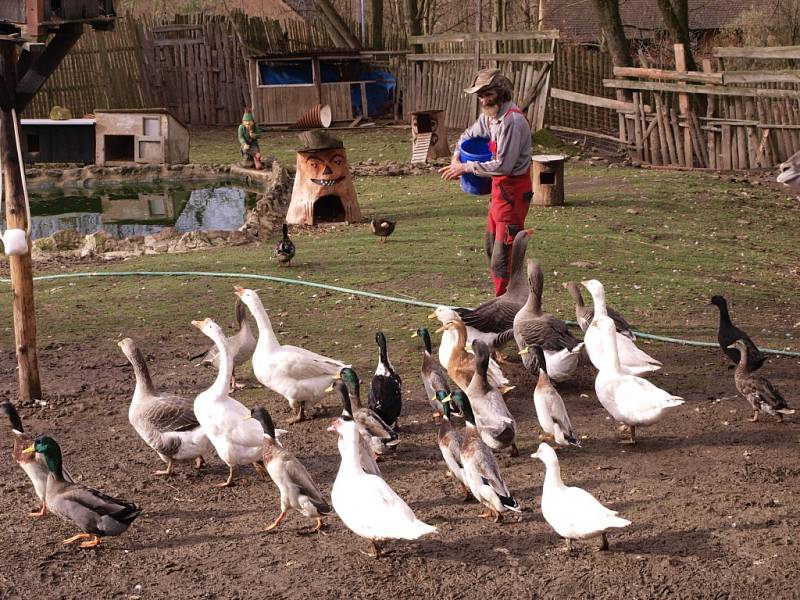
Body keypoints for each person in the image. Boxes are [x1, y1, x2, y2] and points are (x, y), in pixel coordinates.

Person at [439, 68, 533, 296]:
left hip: (513, 191)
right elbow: (466, 137)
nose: (482, 100)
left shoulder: (511, 122)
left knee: (505, 253)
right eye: (480, 95)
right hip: (499, 190)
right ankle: (502, 299)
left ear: (501, 92)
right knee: (492, 247)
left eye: (487, 94)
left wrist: (466, 167)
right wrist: (456, 156)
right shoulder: (490, 118)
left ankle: (508, 305)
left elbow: (504, 165)